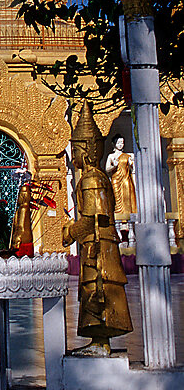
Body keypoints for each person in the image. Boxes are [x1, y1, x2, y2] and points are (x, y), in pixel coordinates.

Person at [62, 102, 133, 355]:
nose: (75, 154)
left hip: (98, 245)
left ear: (89, 150)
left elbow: (93, 217)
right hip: (99, 243)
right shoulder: (97, 176)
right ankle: (99, 341)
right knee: (95, 290)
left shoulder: (91, 179)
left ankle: (101, 342)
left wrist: (70, 232)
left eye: (77, 149)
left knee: (98, 290)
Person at [104, 134, 137, 218]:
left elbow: (131, 169)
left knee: (127, 198)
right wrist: (114, 165)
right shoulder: (111, 156)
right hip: (116, 179)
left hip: (125, 179)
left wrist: (130, 164)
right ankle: (118, 217)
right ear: (114, 144)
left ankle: (127, 218)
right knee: (116, 199)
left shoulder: (127, 156)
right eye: (118, 143)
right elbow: (107, 169)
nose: (120, 144)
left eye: (122, 143)